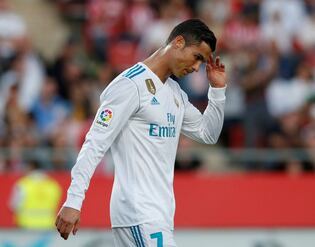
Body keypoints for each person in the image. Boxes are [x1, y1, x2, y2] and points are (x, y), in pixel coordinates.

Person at [55, 19, 227, 246]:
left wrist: (217, 90)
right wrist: (74, 200)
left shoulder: (174, 91)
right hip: (138, 212)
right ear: (178, 42)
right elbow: (94, 143)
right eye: (197, 57)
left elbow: (208, 133)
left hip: (160, 215)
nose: (197, 68)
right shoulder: (130, 85)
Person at [9, 160, 62, 229]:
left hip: (26, 224)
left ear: (31, 167)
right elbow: (56, 204)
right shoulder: (53, 185)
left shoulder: (22, 184)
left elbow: (14, 205)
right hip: (48, 224)